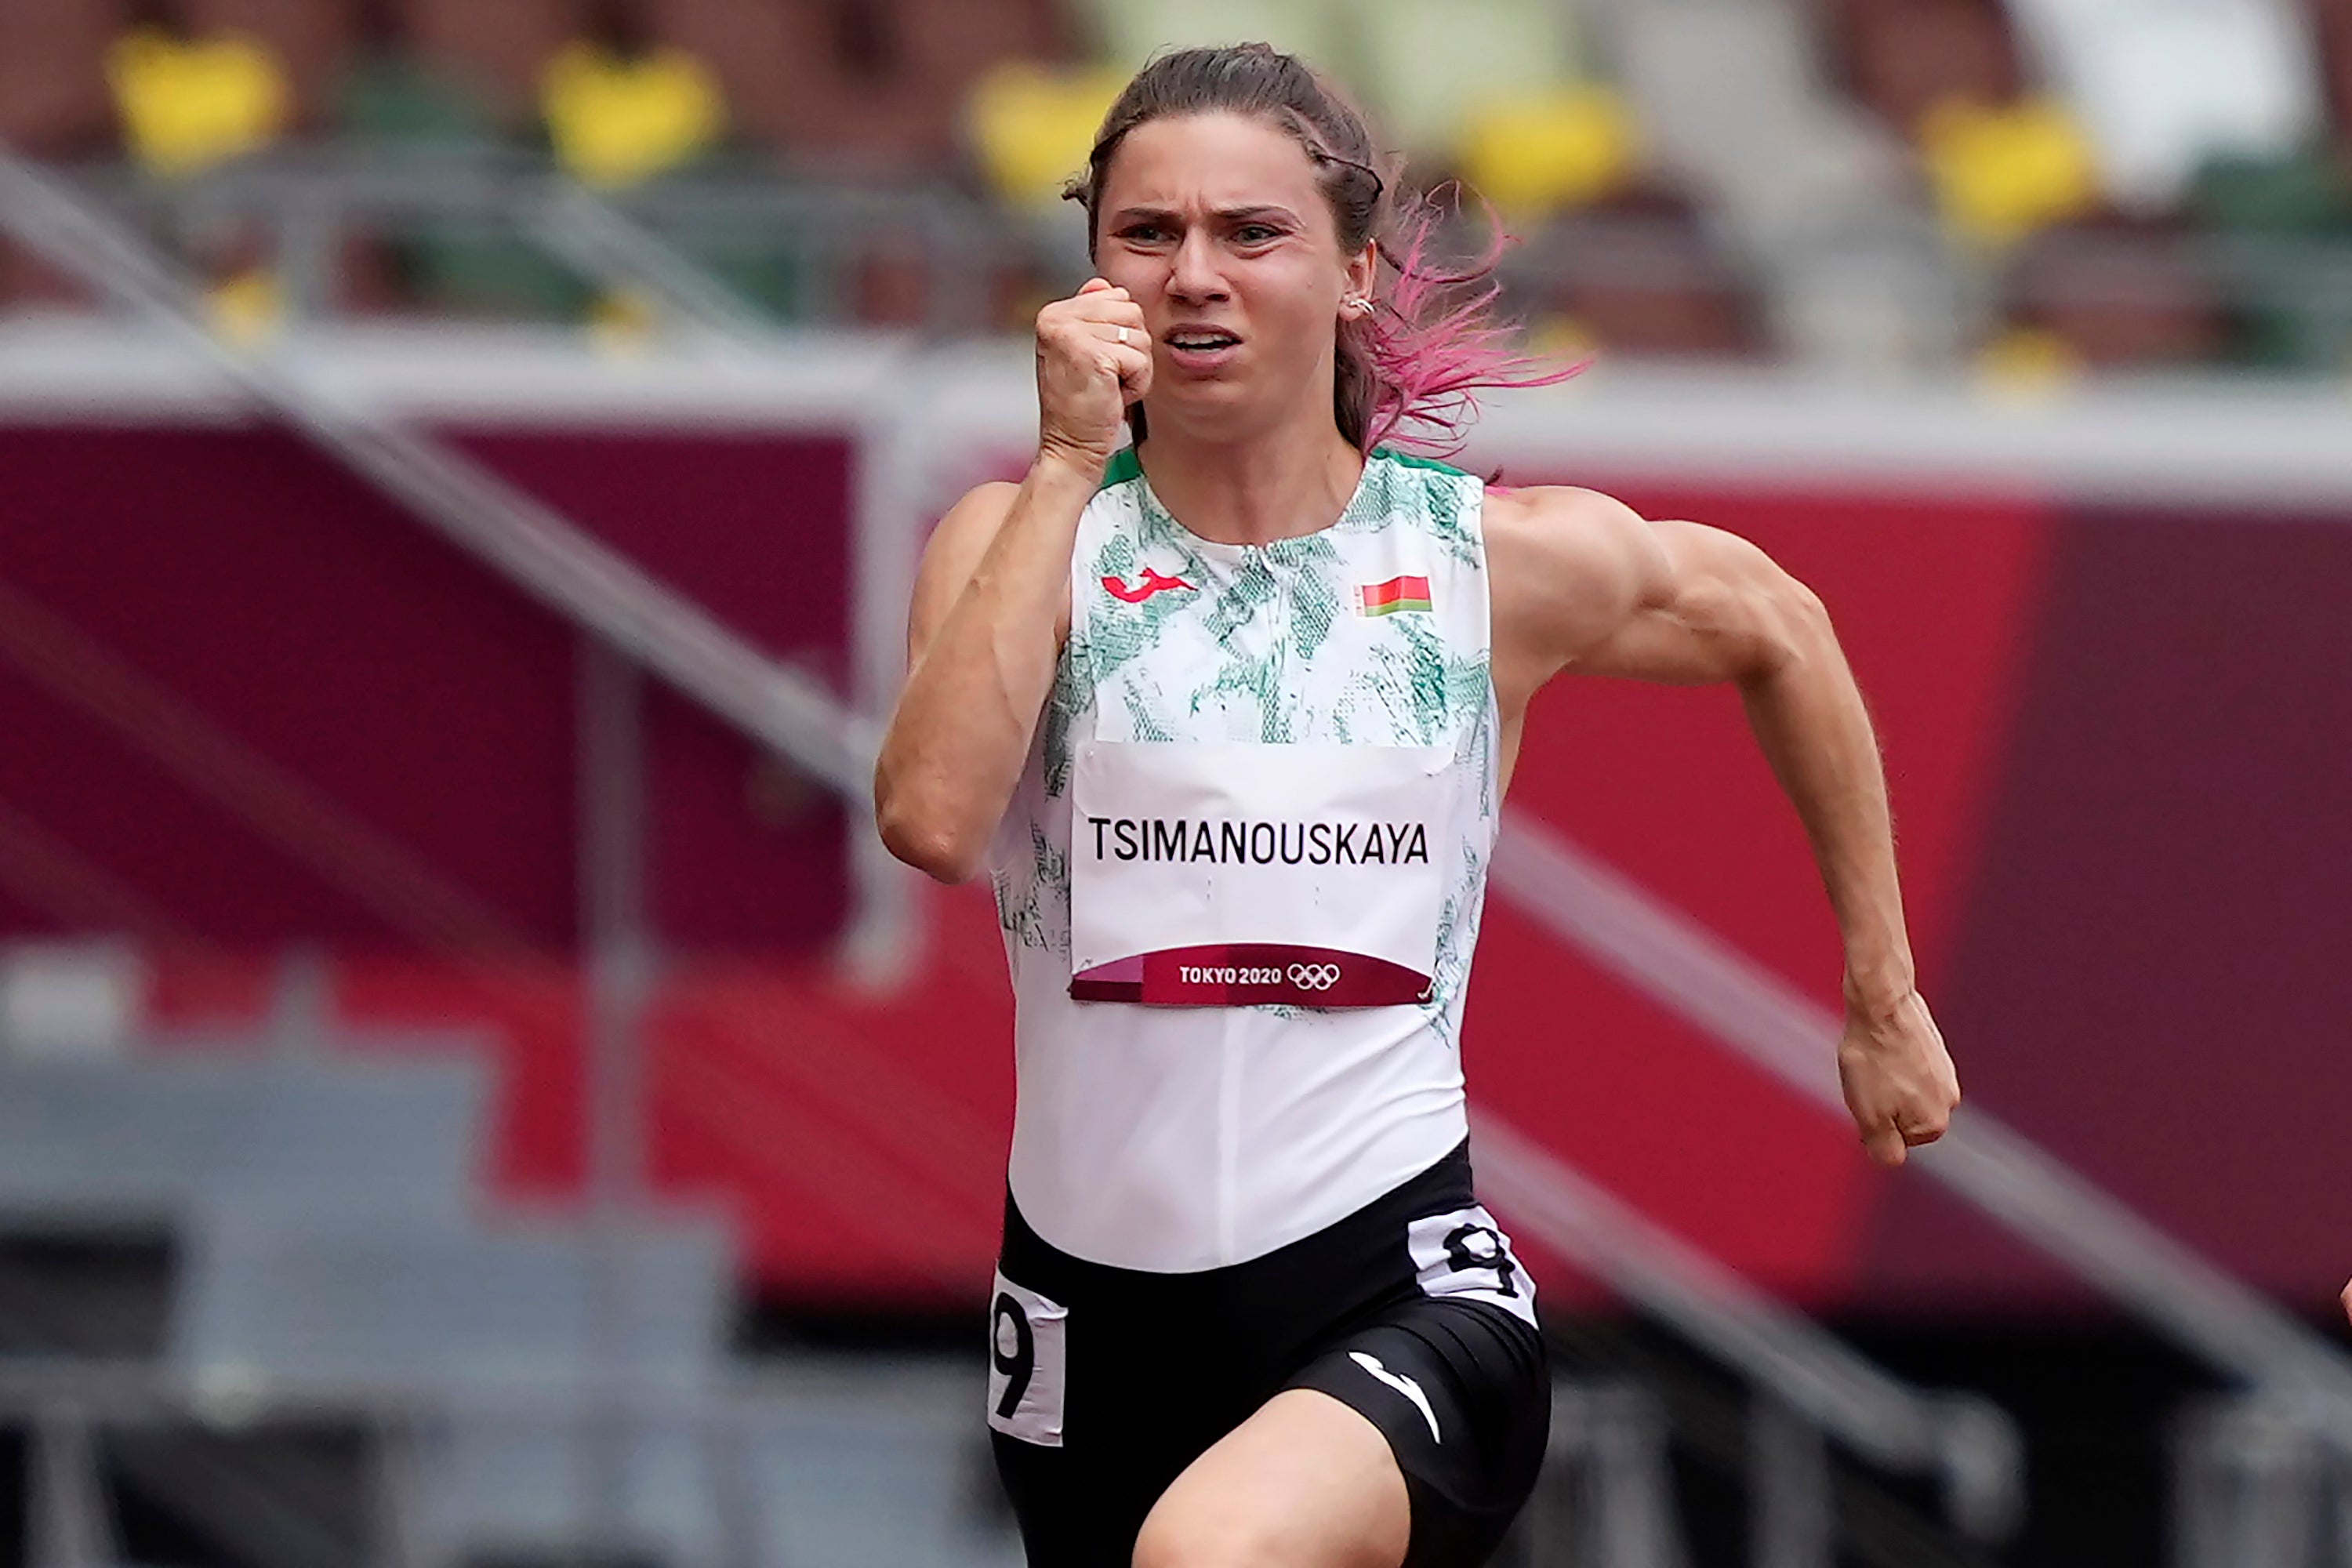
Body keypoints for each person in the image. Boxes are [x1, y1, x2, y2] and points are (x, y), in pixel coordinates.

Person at [873, 43, 1961, 1568]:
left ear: (1356, 275)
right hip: (1084, 1314)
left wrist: (1882, 987)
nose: (1195, 274)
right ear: (1091, 274)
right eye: (1147, 234)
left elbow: (1778, 626)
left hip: (1395, 1283)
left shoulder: (1480, 563)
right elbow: (930, 818)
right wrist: (1066, 461)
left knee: (1211, 1556)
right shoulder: (1018, 541)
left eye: (1251, 234)